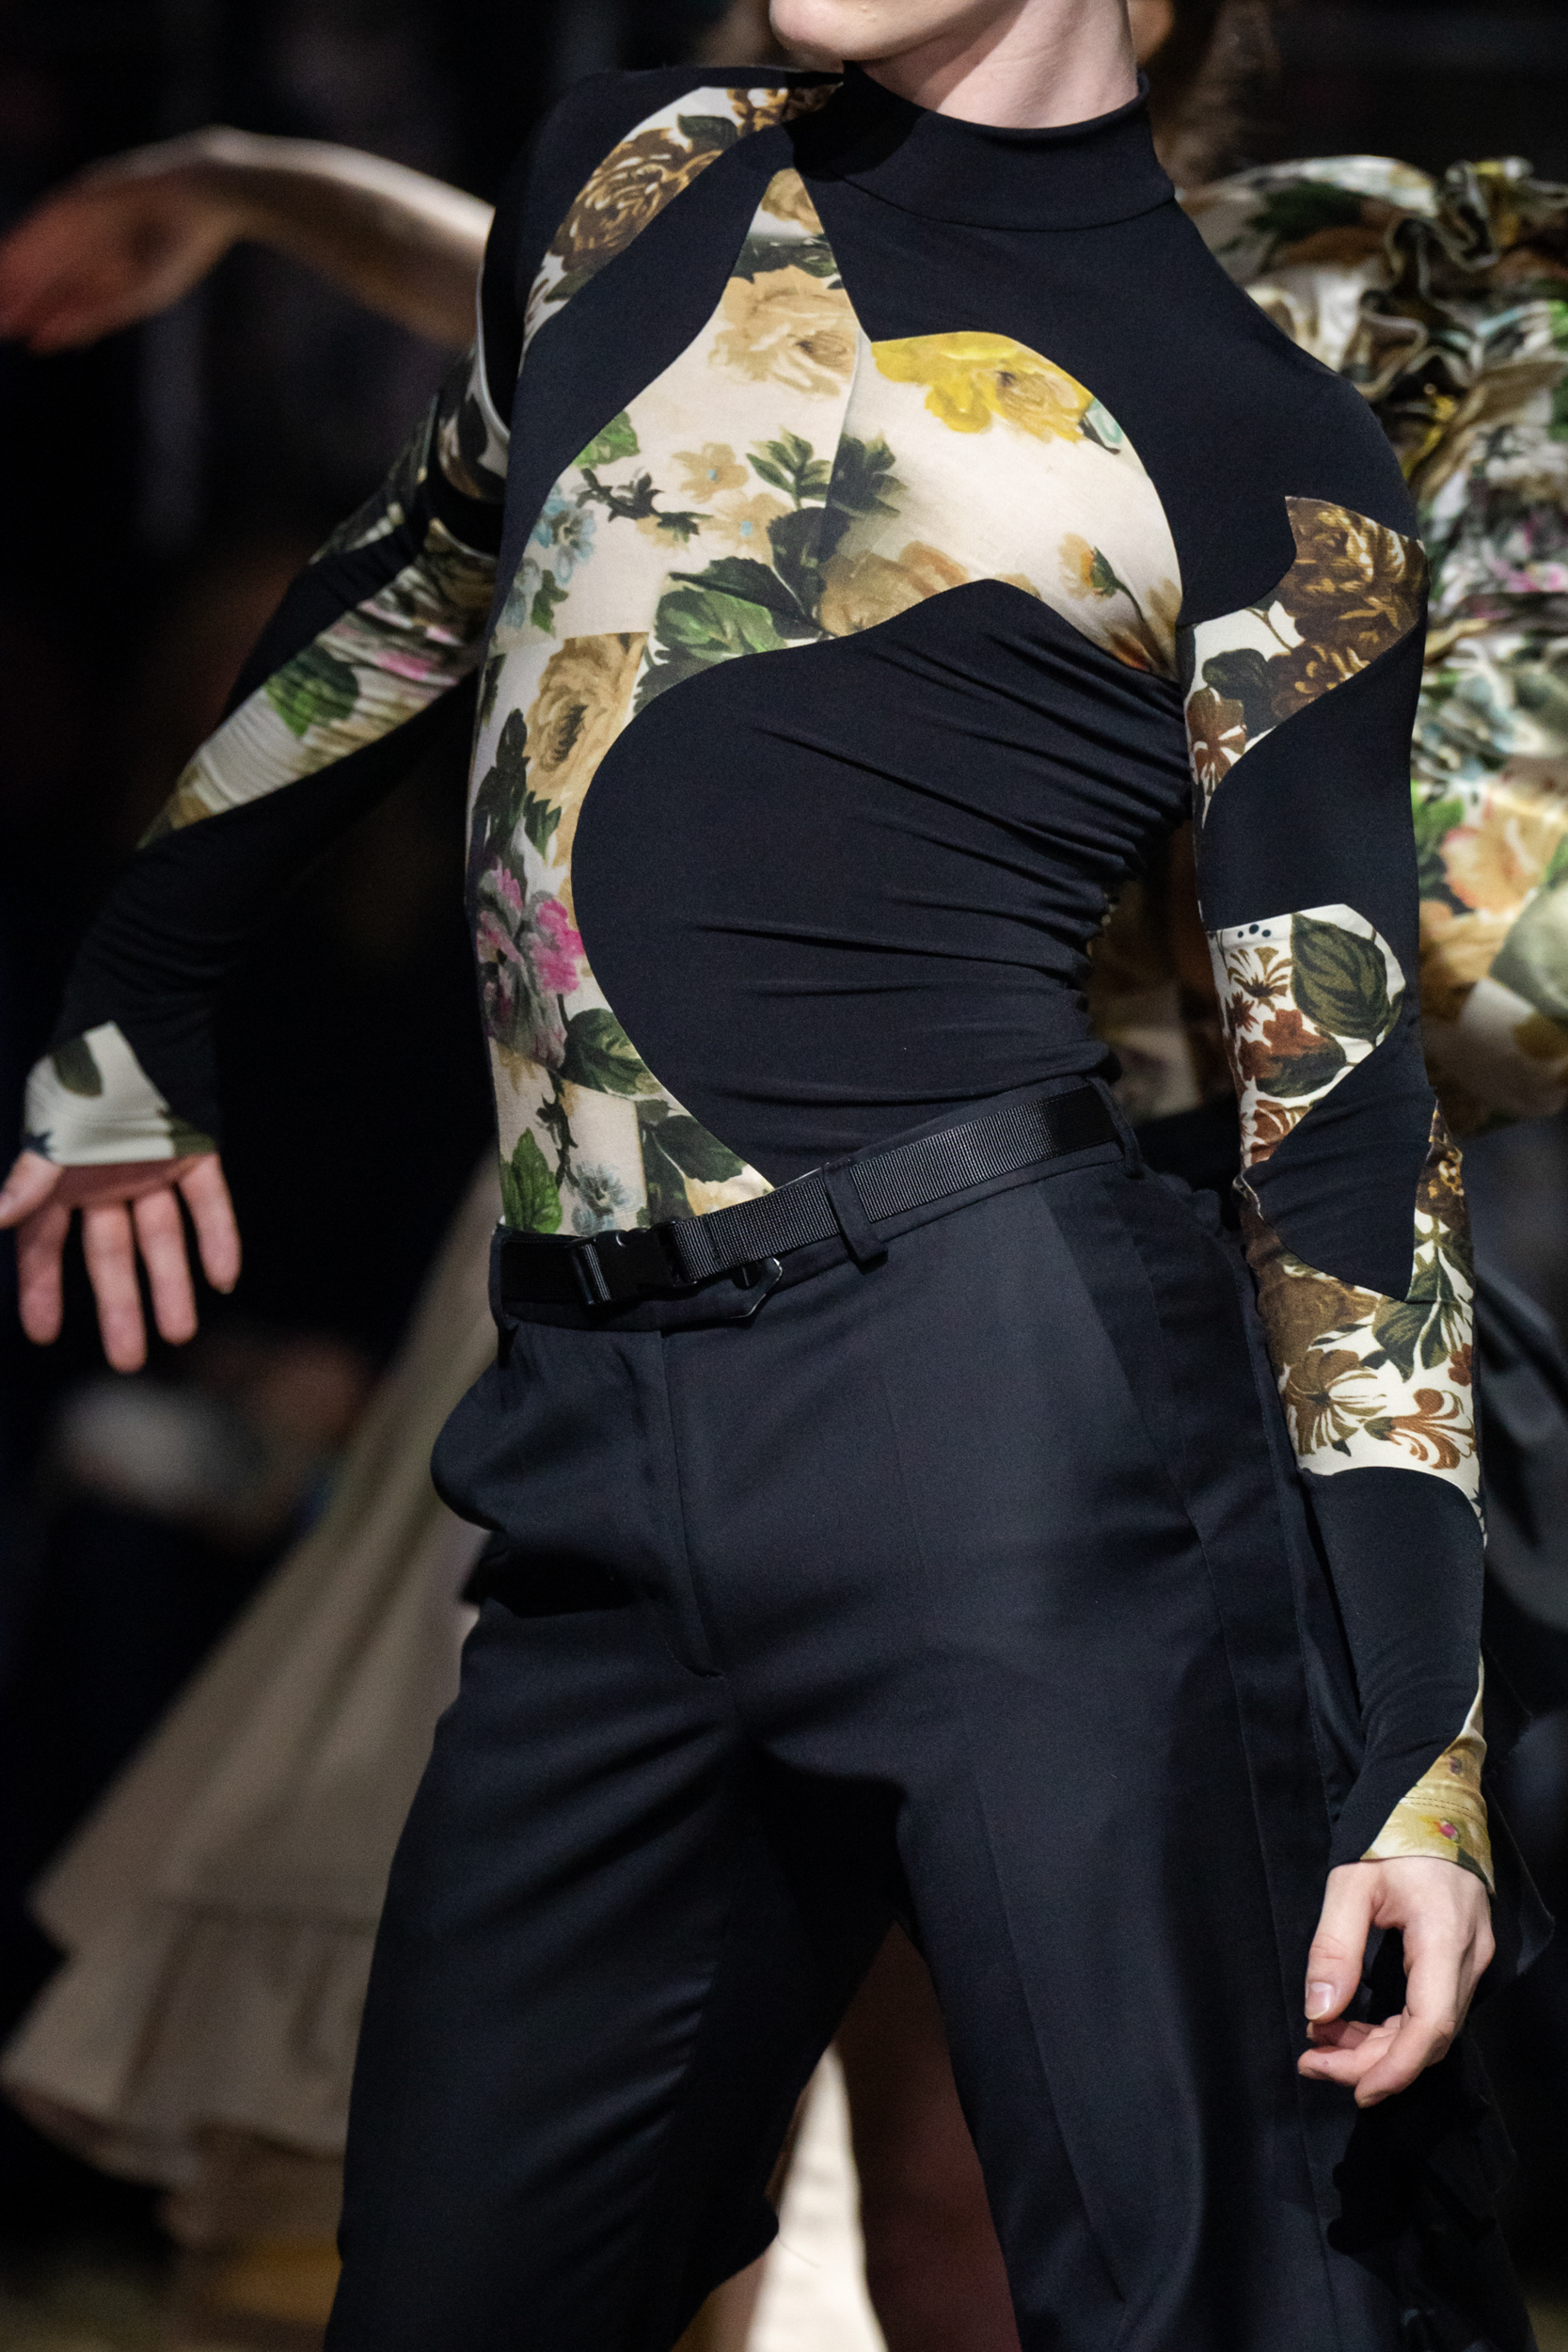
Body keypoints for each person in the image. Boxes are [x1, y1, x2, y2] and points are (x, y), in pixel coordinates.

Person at [0, 0, 1545, 2344]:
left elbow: (1337, 1123)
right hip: (586, 1436)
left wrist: (1420, 1746)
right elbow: (421, 573)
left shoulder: (1257, 441)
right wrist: (140, 981)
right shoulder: (629, 171)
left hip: (1006, 1431)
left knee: (1201, 2290)